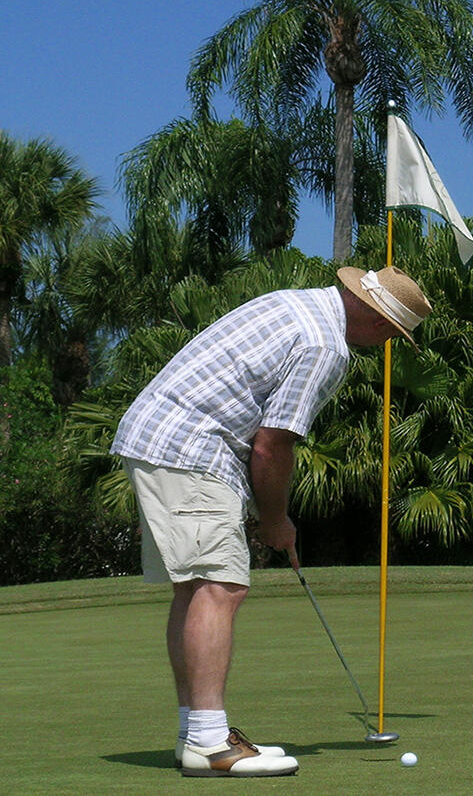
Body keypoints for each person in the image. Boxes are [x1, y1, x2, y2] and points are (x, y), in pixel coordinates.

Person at [110, 265, 432, 778]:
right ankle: (210, 744)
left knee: (196, 589)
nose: (387, 341)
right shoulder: (325, 346)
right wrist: (276, 519)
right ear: (376, 318)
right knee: (220, 586)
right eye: (392, 332)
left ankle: (198, 733)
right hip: (190, 447)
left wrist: (265, 515)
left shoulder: (297, 302)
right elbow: (273, 442)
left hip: (161, 438)